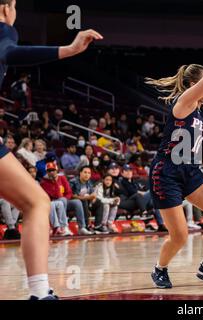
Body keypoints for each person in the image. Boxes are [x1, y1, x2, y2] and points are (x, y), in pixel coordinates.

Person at [0, 0, 103, 300]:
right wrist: (68, 50)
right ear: (7, 8)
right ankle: (40, 292)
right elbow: (8, 52)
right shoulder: (4, 28)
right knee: (36, 203)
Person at [145, 25, 203, 288]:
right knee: (180, 236)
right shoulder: (184, 103)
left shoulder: (201, 111)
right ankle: (159, 269)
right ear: (192, 85)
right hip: (166, 172)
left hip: (190, 170)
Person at [40, 162, 93, 236]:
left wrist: (65, 199)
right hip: (53, 203)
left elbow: (69, 192)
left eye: (53, 170)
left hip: (64, 201)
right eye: (49, 171)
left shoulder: (62, 178)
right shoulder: (44, 182)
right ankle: (64, 226)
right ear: (47, 172)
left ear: (56, 170)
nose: (52, 172)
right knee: (61, 201)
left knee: (77, 202)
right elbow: (50, 196)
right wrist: (55, 182)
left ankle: (81, 227)